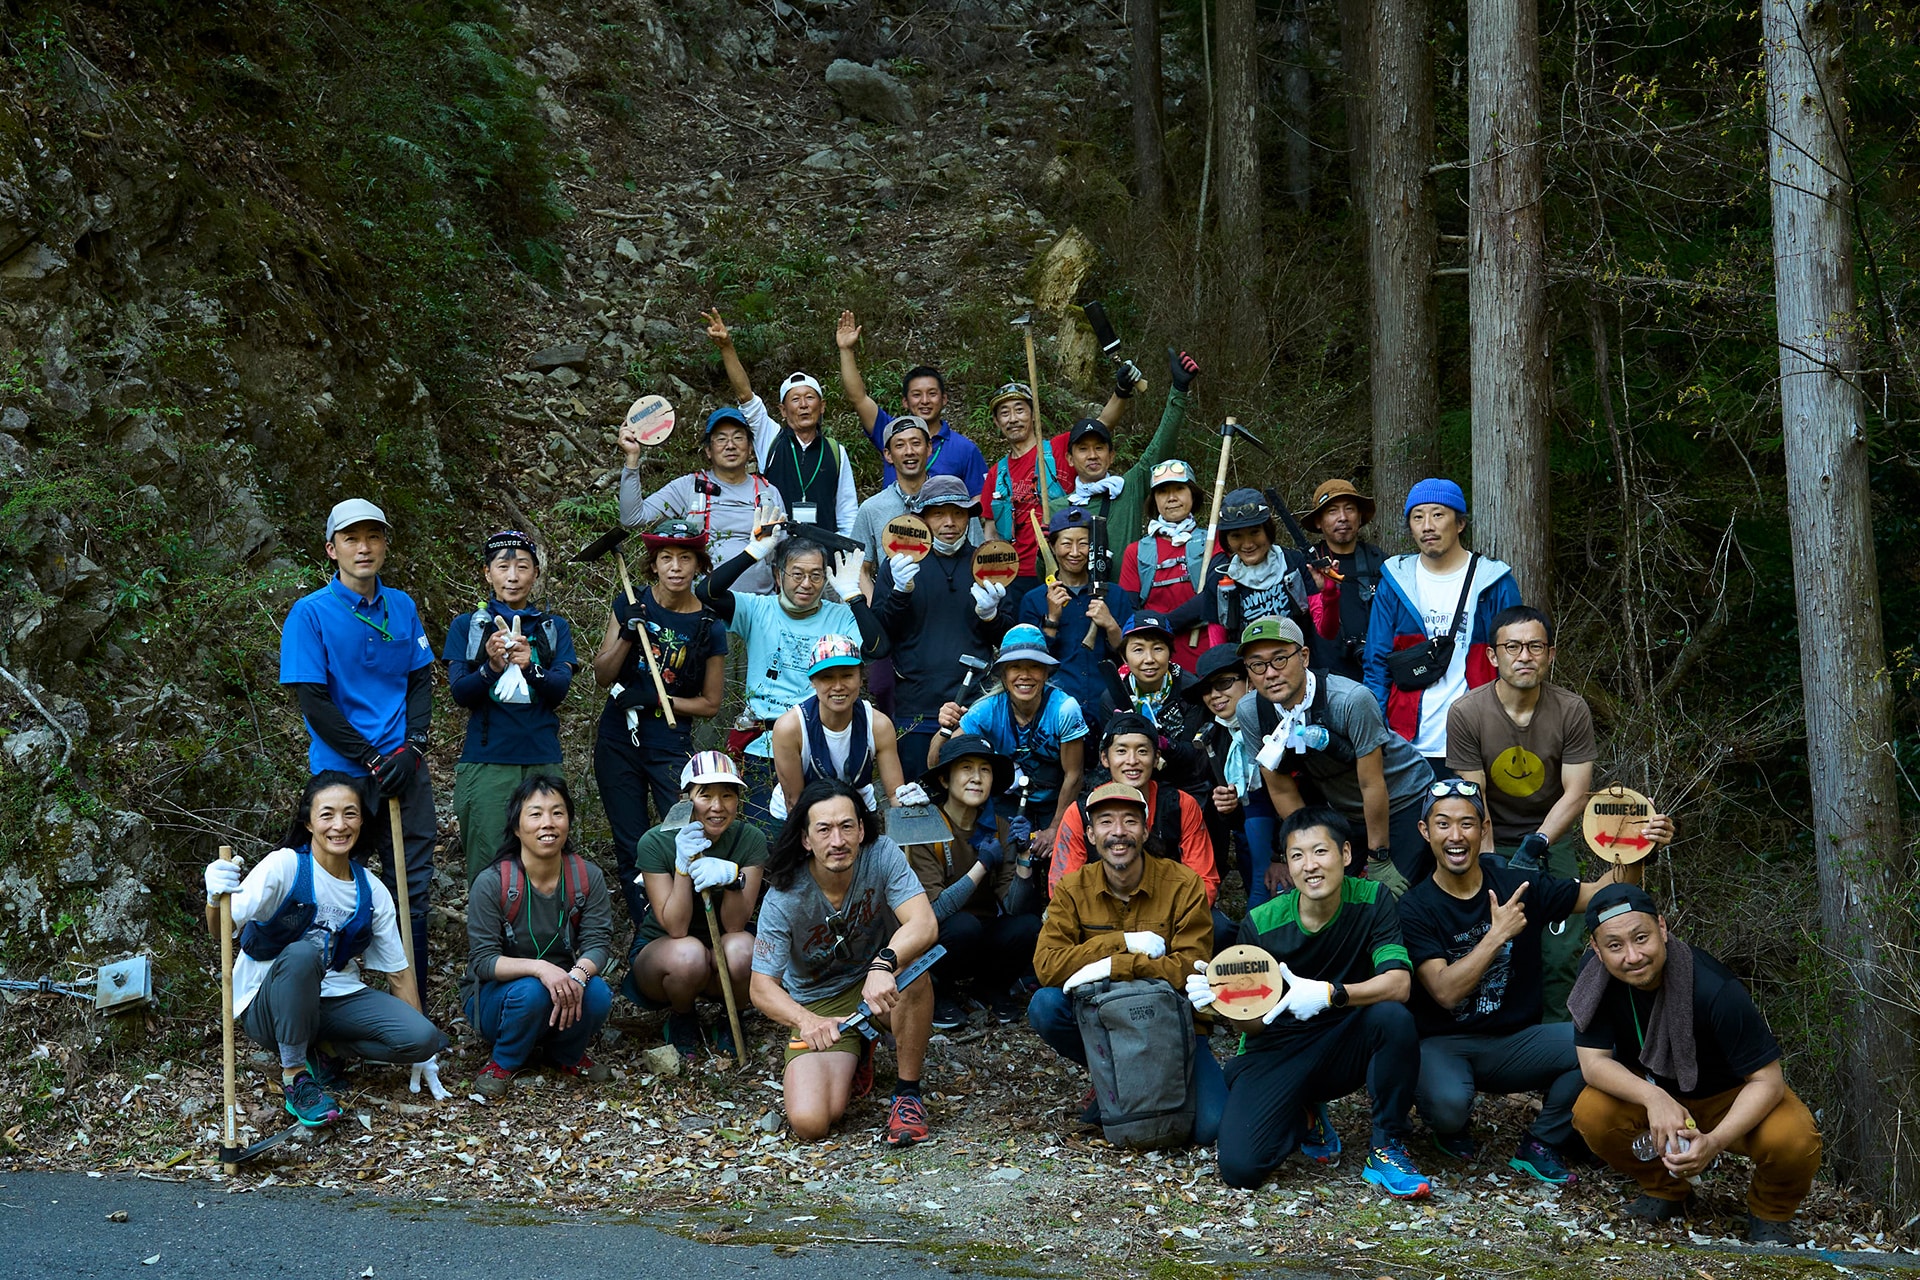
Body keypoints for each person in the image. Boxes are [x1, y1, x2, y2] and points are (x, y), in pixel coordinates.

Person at [1398, 781, 1671, 1184]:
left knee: (1605, 1048)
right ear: (1426, 832)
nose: (1455, 836)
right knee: (1449, 1106)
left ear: (1483, 828)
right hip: (1445, 1042)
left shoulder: (1514, 881)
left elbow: (1603, 895)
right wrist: (1496, 935)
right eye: (1443, 824)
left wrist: (1636, 844)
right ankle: (1448, 1131)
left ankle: (1540, 1143)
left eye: (1466, 824)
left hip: (1515, 1041)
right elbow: (1444, 991)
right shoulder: (1415, 906)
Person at [1192, 806, 1429, 1196]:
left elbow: (1398, 984)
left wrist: (1329, 994)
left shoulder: (1373, 900)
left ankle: (1387, 1146)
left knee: (1393, 1018)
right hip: (1277, 1049)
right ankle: (1303, 1114)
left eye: (1320, 851)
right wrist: (1223, 1004)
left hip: (1343, 1039)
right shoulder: (1262, 922)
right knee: (1241, 1169)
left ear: (1346, 855)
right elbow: (1252, 1025)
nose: (1309, 866)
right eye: (1297, 856)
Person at [1571, 885, 1822, 1245]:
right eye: (1614, 945)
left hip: (1730, 1097)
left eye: (1641, 937)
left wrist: (1715, 1142)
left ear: (1662, 927)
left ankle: (1770, 1212)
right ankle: (1667, 1190)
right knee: (1592, 1111)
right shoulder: (1595, 977)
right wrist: (1654, 1099)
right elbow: (1593, 1064)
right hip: (1658, 1092)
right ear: (1596, 949)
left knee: (1794, 1138)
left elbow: (1768, 1081)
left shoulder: (1714, 988)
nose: (1632, 955)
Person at [203, 772, 446, 1127]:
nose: (339, 825)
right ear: (309, 822)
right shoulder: (285, 866)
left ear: (362, 819)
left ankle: (325, 1051)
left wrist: (421, 1054)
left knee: (424, 1038)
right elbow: (219, 932)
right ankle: (296, 1075)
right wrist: (214, 899)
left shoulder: (371, 889)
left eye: (350, 813)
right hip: (267, 1003)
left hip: (334, 998)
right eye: (327, 814)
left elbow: (398, 972)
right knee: (303, 954)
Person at [278, 499, 437, 976]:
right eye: (351, 538)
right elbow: (315, 702)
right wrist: (371, 758)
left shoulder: (402, 606)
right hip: (341, 777)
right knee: (328, 893)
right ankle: (330, 1017)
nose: (363, 548)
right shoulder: (310, 614)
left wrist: (413, 749)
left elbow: (420, 682)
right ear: (332, 549)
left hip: (404, 771)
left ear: (386, 545)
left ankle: (415, 1021)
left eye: (373, 537)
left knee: (413, 892)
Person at [1030, 781, 1224, 1144]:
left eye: (1130, 822)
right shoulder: (1073, 888)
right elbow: (1048, 965)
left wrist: (1112, 966)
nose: (1118, 833)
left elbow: (1192, 967)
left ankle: (1143, 1081)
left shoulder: (1183, 884)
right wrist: (1121, 944)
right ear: (1089, 834)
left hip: (1175, 1029)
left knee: (1211, 1129)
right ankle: (1111, 1073)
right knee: (1046, 1005)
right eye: (1105, 822)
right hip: (1102, 1023)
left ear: (1146, 829)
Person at [750, 779, 940, 1146]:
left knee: (915, 972)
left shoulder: (881, 853)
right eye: (824, 829)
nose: (837, 841)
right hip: (820, 1000)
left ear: (861, 828)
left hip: (877, 981)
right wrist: (806, 1021)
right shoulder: (784, 895)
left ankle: (907, 1095)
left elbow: (924, 923)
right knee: (812, 1122)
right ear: (806, 839)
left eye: (846, 826)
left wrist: (883, 964)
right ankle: (860, 1044)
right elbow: (761, 987)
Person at [1446, 605, 1599, 1018]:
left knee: (1561, 945)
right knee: (1491, 938)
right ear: (1493, 656)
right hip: (1487, 839)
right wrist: (1495, 860)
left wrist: (1537, 845)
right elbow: (1471, 799)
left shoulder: (1570, 709)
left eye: (1535, 646)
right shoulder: (1467, 713)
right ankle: (1500, 1036)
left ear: (1550, 654)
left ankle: (1559, 1043)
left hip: (1551, 835)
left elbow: (1577, 793)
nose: (1524, 656)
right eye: (1512, 646)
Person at [696, 513, 885, 828]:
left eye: (816, 575)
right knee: (767, 836)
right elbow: (707, 594)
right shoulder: (757, 609)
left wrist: (853, 596)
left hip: (819, 746)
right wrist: (753, 552)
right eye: (796, 574)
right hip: (763, 744)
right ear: (778, 573)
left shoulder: (840, 616)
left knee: (820, 835)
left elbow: (878, 648)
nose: (806, 584)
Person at [590, 518, 729, 924]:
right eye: (666, 558)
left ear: (698, 565)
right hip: (619, 736)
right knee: (630, 841)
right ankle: (646, 933)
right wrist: (629, 634)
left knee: (683, 835)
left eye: (685, 558)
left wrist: (660, 697)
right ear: (653, 564)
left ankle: (692, 929)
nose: (675, 567)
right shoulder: (630, 602)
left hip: (669, 741)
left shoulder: (709, 625)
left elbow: (710, 704)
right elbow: (602, 674)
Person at [1236, 617, 1433, 892]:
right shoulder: (1251, 711)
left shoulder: (1350, 700)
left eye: (1280, 659)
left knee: (1388, 895)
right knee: (1332, 893)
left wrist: (1379, 857)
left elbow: (1372, 783)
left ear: (1303, 656)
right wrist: (1311, 845)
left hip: (1403, 798)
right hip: (1342, 809)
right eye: (1257, 665)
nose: (1269, 674)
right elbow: (1280, 788)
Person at [462, 775, 615, 1098]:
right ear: (516, 826)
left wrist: (578, 975)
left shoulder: (587, 877)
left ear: (569, 821)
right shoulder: (492, 883)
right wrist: (541, 968)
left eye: (557, 813)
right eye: (535, 814)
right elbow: (484, 961)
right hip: (499, 998)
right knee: (532, 991)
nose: (548, 823)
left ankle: (567, 1054)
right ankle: (504, 1061)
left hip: (564, 989)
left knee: (597, 992)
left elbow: (597, 943)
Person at [1363, 478, 1521, 777]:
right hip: (1407, 740)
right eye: (1417, 516)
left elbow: (1514, 661)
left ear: (1460, 523)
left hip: (1479, 740)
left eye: (1438, 514)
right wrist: (1378, 733)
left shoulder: (1493, 581)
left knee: (1476, 821)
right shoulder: (1396, 583)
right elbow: (1376, 663)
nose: (1427, 526)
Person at [445, 531, 578, 887]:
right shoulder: (468, 626)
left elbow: (559, 689)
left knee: (547, 861)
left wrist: (530, 667)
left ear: (536, 572)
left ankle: (545, 940)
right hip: (487, 762)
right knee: (489, 864)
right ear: (488, 573)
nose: (513, 576)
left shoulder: (552, 627)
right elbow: (461, 692)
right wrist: (491, 668)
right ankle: (488, 943)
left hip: (542, 757)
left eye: (522, 566)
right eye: (503, 567)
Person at [625, 752, 766, 1058]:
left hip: (722, 956)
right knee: (688, 954)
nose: (717, 806)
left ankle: (733, 1017)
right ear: (685, 798)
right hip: (668, 955)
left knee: (743, 949)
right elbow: (675, 927)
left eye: (728, 795)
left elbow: (734, 926)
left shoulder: (750, 839)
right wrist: (682, 867)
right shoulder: (655, 842)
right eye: (705, 795)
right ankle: (682, 1016)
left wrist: (732, 878)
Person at [902, 734, 1044, 1028]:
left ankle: (990, 987)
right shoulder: (925, 827)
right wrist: (982, 865)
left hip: (981, 934)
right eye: (966, 768)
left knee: (1028, 925)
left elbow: (1014, 906)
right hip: (938, 935)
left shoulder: (999, 828)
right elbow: (935, 911)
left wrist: (1024, 857)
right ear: (945, 780)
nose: (976, 778)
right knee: (963, 926)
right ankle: (939, 990)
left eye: (985, 770)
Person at [875, 474, 1010, 780]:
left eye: (958, 513)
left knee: (971, 797)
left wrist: (990, 616)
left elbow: (1009, 637)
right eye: (938, 514)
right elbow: (879, 638)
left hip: (973, 707)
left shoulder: (987, 565)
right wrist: (899, 592)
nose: (949, 522)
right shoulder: (898, 564)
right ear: (922, 518)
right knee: (917, 798)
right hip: (915, 708)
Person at [933, 624, 1089, 874]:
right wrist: (944, 730)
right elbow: (938, 763)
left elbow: (1074, 774)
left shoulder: (1064, 709)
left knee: (1063, 863)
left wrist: (1054, 829)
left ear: (1046, 672)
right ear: (1003, 675)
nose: (1025, 675)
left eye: (1034, 666)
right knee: (1003, 864)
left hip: (1055, 799)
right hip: (1005, 799)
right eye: (1015, 666)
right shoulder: (987, 710)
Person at [707, 308, 857, 535]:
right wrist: (727, 347)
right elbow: (745, 396)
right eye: (795, 400)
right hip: (778, 553)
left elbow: (847, 512)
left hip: (824, 559)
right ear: (783, 410)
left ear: (822, 406)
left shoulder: (836, 452)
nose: (804, 405)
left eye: (810, 398)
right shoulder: (771, 439)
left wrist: (847, 555)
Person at [1048, 712, 1219, 904]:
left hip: (1169, 908)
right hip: (1100, 913)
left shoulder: (1181, 805)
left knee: (1220, 929)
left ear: (1156, 759)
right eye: (1121, 751)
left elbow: (1204, 881)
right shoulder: (1080, 812)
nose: (1132, 760)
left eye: (1142, 751)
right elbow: (1062, 888)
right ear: (1105, 758)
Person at [1061, 348, 1201, 582]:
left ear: (1111, 455)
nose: (1092, 456)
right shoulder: (1059, 508)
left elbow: (1161, 444)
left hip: (1127, 602)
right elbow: (1047, 569)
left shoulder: (1129, 488)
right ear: (1069, 459)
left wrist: (1179, 390)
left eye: (1099, 448)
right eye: (1083, 449)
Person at [620, 404, 786, 595]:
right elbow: (632, 517)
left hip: (760, 605)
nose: (730, 445)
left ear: (750, 448)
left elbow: (784, 553)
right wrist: (632, 459)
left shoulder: (768, 492)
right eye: (721, 439)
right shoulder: (688, 487)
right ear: (708, 450)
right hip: (701, 606)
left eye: (738, 438)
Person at [835, 310, 989, 493]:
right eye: (916, 395)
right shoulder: (891, 432)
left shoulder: (965, 449)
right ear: (905, 402)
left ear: (944, 399)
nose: (925, 401)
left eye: (932, 393)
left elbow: (979, 499)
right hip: (895, 521)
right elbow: (858, 398)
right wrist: (846, 350)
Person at [1017, 506, 1135, 734]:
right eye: (1066, 543)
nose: (1075, 552)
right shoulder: (1034, 600)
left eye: (1083, 543)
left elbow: (1131, 655)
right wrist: (1051, 619)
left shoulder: (1115, 595)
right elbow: (1026, 665)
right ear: (1052, 546)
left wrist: (1110, 624)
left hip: (1109, 708)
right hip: (1054, 709)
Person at [768, 634, 910, 821]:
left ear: (860, 678)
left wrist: (909, 803)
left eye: (847, 675)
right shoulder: (790, 728)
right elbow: (794, 802)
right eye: (827, 678)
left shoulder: (879, 725)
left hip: (858, 813)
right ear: (813, 681)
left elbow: (894, 794)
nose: (838, 686)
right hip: (798, 816)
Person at [1162, 488, 1320, 646]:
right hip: (1246, 667)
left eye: (1254, 532)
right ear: (1226, 539)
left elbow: (1324, 630)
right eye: (1236, 536)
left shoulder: (1293, 563)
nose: (1248, 544)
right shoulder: (1219, 579)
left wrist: (1329, 592)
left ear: (1268, 530)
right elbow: (1218, 647)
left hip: (1298, 663)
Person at [1119, 458, 1224, 672]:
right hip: (1154, 660)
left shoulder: (1214, 541)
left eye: (1179, 489)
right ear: (1154, 499)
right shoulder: (1136, 551)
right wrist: (1157, 631)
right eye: (1163, 491)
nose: (1172, 498)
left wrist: (1160, 624)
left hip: (1206, 652)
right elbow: (1129, 609)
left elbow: (1213, 595)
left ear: (1192, 495)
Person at [1179, 646, 1262, 900]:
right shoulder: (1212, 736)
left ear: (1249, 681)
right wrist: (1228, 807)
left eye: (1224, 683)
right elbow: (1233, 819)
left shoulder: (1275, 720)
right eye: (1207, 689)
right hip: (1249, 833)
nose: (1215, 695)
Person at [1095, 612, 1206, 796]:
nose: (1149, 659)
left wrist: (1162, 742)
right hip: (1132, 784)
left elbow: (1193, 755)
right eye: (1138, 650)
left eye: (1158, 649)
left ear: (1170, 652)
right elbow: (1111, 756)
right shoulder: (1113, 697)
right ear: (1124, 656)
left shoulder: (1189, 689)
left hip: (1186, 785)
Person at [1298, 480, 1385, 681]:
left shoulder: (1380, 562)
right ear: (1319, 521)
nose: (1343, 518)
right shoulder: (1306, 567)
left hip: (1377, 675)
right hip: (1322, 680)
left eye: (1350, 509)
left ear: (1360, 516)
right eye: (1332, 511)